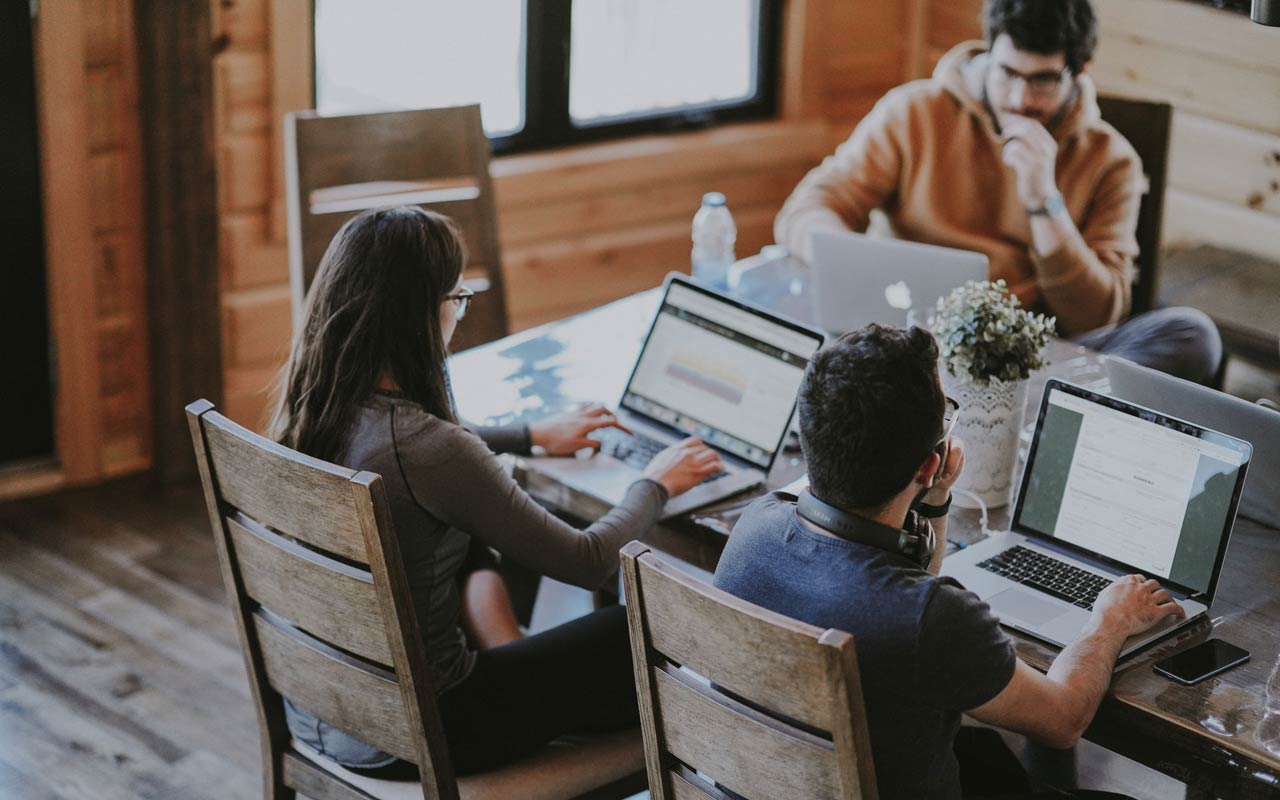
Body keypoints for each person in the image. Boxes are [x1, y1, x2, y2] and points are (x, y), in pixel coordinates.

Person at [269, 206, 723, 777]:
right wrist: (655, 482)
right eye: (456, 299)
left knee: (466, 533)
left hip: (325, 708)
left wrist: (529, 435)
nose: (459, 313)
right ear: (420, 314)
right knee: (630, 628)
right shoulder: (427, 450)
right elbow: (584, 561)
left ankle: (517, 659)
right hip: (429, 729)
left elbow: (427, 454)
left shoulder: (315, 407)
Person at [713, 324, 1185, 799]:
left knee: (987, 757)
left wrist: (934, 500)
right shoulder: (934, 619)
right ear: (927, 463)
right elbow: (1063, 720)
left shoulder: (753, 529)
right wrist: (1109, 621)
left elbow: (897, 598)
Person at [775, 0, 1221, 385]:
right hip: (907, 341)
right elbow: (808, 209)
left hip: (1032, 359)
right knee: (781, 308)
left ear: (1079, 71)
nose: (1020, 98)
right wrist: (851, 265)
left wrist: (1044, 201)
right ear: (990, 51)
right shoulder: (914, 112)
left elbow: (1097, 317)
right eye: (1007, 72)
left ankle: (1007, 412)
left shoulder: (1112, 161)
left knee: (1192, 335)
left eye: (1043, 80)